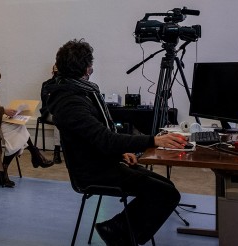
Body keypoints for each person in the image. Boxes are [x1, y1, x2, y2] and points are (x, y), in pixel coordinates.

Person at [46, 38, 186, 245]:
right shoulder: (71, 102)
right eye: (91, 65)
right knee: (165, 193)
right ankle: (118, 232)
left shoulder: (78, 93)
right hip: (91, 172)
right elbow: (106, 139)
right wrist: (153, 140)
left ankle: (118, 229)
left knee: (166, 187)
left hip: (102, 161)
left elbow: (96, 138)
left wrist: (120, 152)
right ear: (86, 68)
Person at [39, 64, 61, 164]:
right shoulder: (47, 84)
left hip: (62, 113)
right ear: (52, 71)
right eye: (56, 70)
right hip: (48, 113)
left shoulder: (66, 83)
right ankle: (57, 151)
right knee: (58, 117)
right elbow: (47, 99)